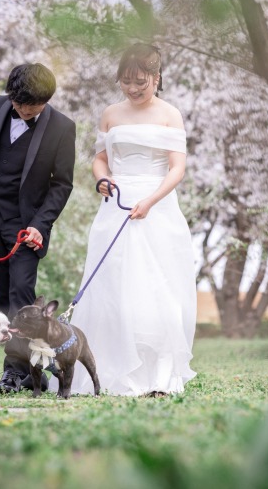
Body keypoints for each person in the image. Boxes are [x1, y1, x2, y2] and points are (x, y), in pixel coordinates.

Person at [65, 44, 197, 397]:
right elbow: (101, 159)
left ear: (156, 77)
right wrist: (101, 179)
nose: (133, 88)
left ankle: (159, 375)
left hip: (157, 207)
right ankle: (107, 371)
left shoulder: (170, 114)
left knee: (158, 289)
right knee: (113, 287)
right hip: (116, 204)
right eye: (126, 82)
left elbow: (177, 168)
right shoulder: (111, 113)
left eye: (141, 81)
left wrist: (151, 201)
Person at [0, 63, 76, 393]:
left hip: (27, 228)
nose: (22, 110)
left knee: (21, 296)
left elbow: (62, 184)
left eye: (31, 106)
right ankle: (33, 368)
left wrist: (41, 224)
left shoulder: (63, 128)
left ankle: (17, 372)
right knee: (2, 296)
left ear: (46, 99)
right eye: (18, 104)